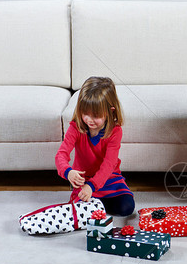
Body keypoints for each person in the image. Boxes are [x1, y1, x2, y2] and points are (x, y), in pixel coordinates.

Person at [55, 76, 135, 216]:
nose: (89, 120)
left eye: (96, 116)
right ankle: (94, 205)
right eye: (85, 113)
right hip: (84, 181)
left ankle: (95, 206)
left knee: (127, 207)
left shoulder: (115, 132)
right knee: (79, 209)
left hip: (109, 179)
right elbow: (61, 155)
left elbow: (108, 165)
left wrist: (92, 186)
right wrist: (68, 172)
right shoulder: (75, 128)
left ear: (110, 111)